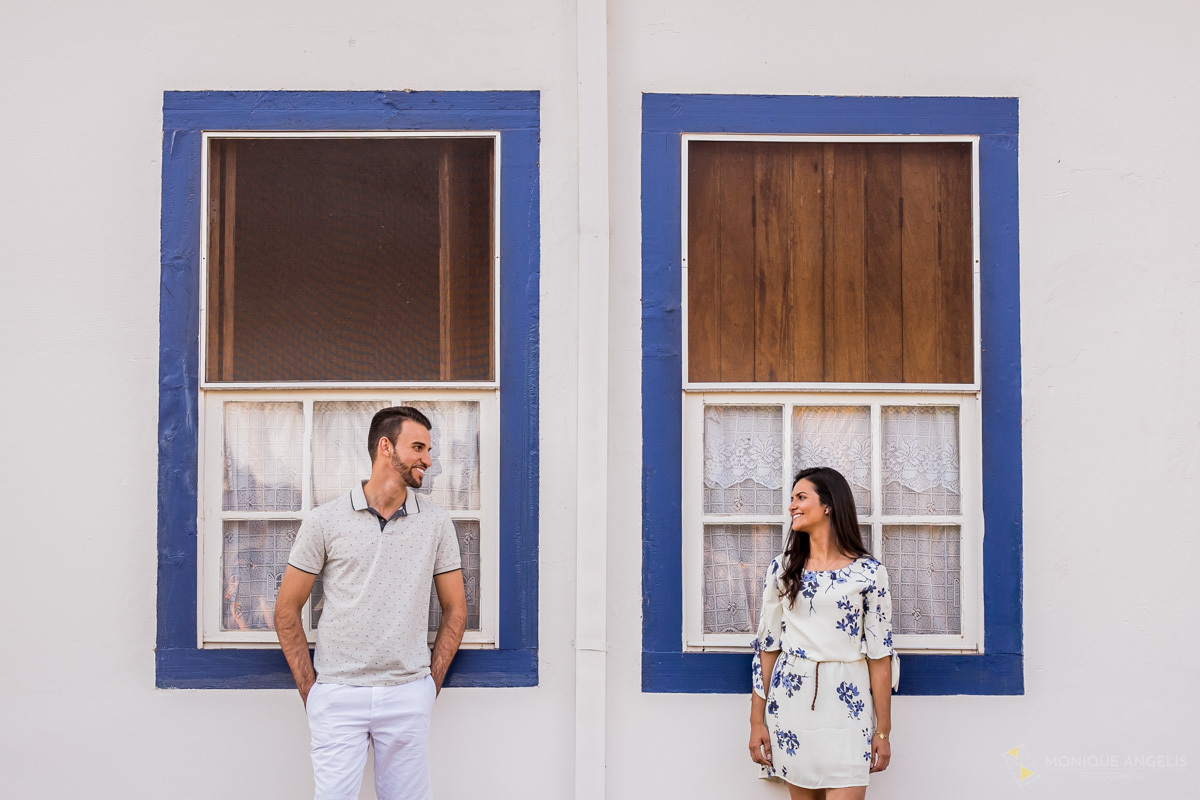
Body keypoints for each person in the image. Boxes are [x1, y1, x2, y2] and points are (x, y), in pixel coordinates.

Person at [275, 406, 468, 800]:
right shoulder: (324, 520)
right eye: (418, 447)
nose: (427, 460)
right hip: (338, 693)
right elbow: (286, 610)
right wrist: (313, 694)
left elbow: (456, 610)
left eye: (428, 450)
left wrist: (428, 686)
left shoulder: (435, 522)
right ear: (385, 447)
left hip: (407, 692)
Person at [748, 467, 898, 799]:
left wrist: (883, 731)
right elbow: (767, 647)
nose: (792, 506)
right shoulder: (783, 569)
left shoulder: (870, 573)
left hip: (849, 705)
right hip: (792, 703)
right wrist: (756, 721)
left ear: (828, 505)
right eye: (791, 499)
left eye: (801, 497)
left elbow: (880, 653)